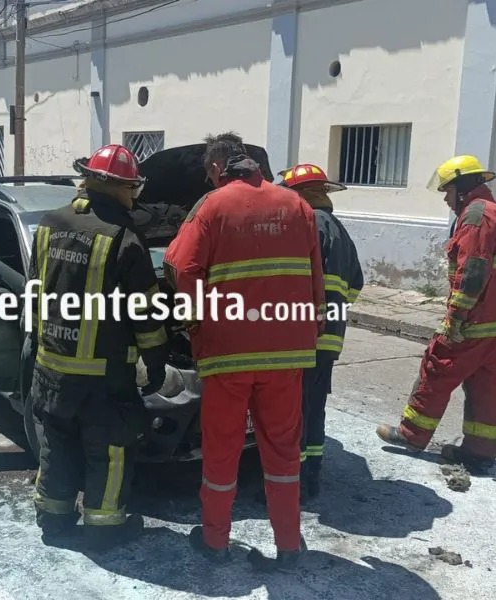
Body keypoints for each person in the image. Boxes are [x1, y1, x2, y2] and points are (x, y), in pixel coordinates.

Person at [162, 132, 325, 572]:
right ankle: (289, 546)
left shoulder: (212, 206)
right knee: (282, 452)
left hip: (227, 356)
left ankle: (216, 542)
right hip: (286, 355)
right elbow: (315, 279)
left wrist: (195, 324)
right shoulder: (298, 207)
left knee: (222, 451)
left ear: (217, 169)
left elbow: (181, 267)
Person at [28, 144, 169, 553]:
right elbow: (145, 311)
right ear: (124, 187)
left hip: (50, 366)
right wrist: (156, 362)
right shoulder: (123, 238)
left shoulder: (48, 224)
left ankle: (53, 519)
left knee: (56, 445)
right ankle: (104, 527)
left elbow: (34, 291)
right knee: (108, 452)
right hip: (102, 380)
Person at [376, 155, 496, 472]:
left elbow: (472, 271)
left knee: (438, 367)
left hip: (474, 320)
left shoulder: (476, 216)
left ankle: (412, 434)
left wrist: (456, 317)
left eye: (447, 191)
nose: (446, 198)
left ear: (461, 187)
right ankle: (480, 451)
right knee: (484, 383)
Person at [277, 163, 364, 498]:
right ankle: (311, 476)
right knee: (314, 408)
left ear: (302, 194)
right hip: (329, 338)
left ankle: (293, 484)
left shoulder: (308, 224)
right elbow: (355, 284)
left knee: (294, 412)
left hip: (305, 335)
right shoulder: (340, 231)